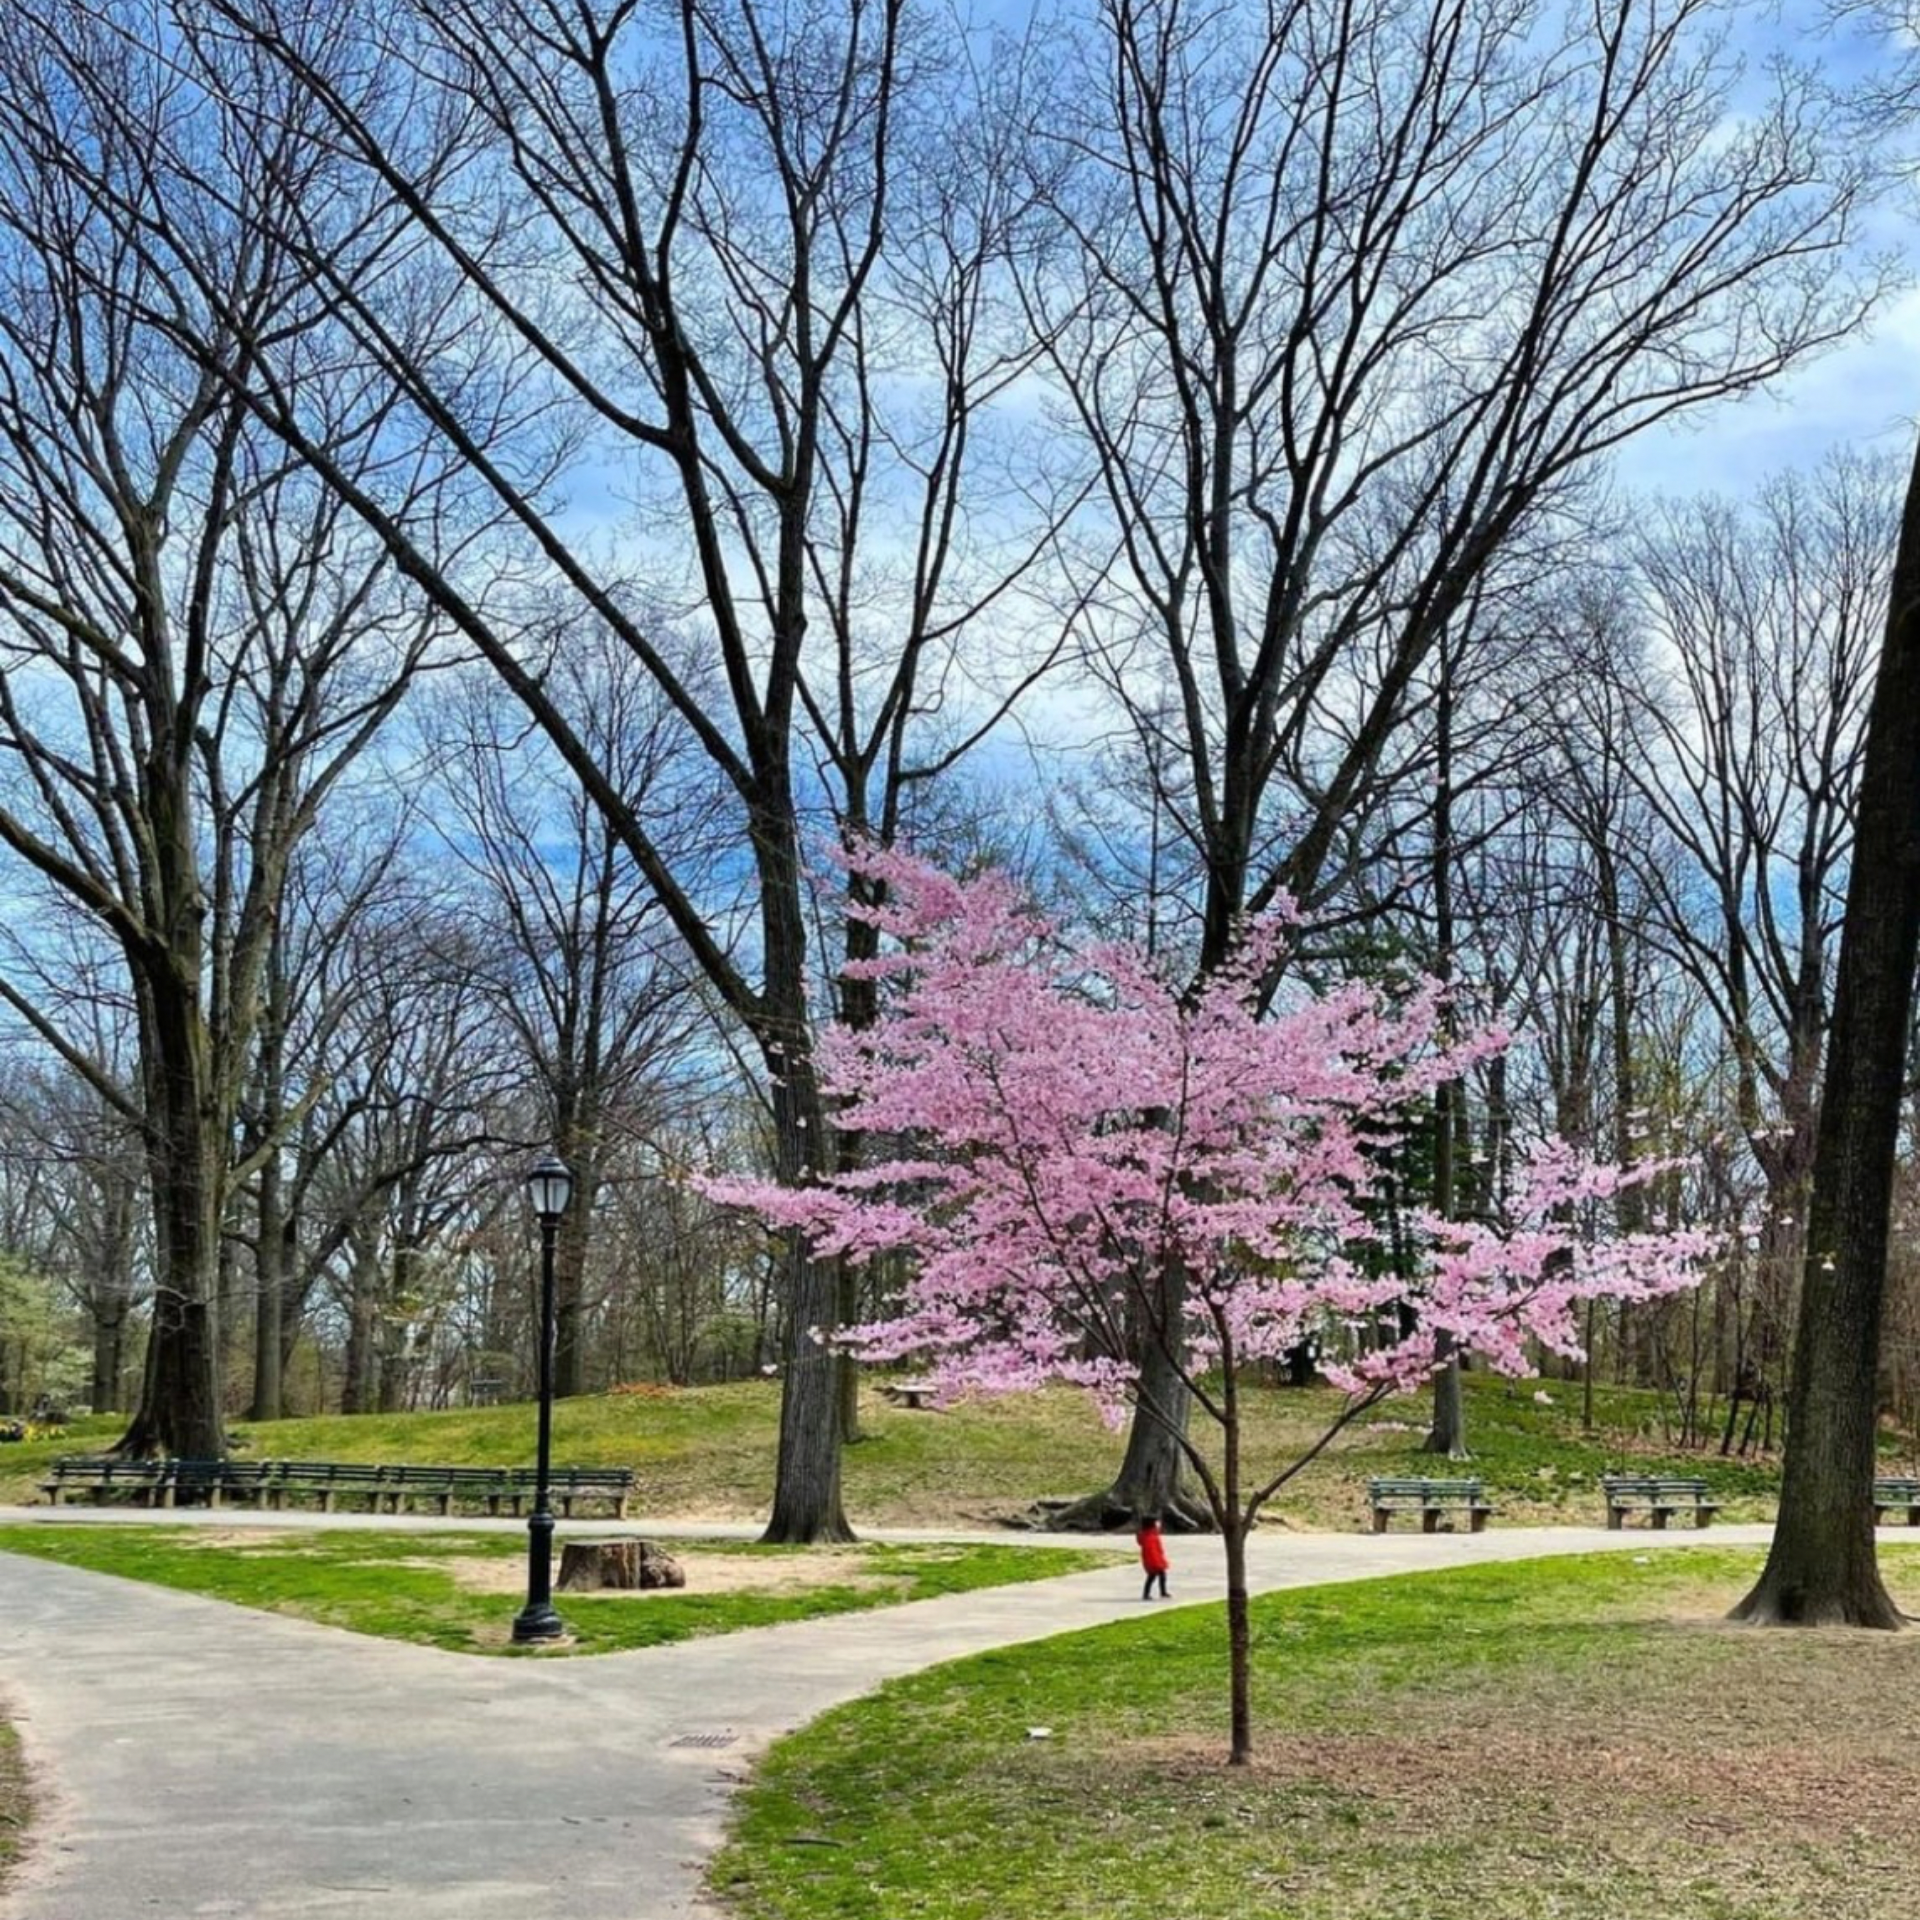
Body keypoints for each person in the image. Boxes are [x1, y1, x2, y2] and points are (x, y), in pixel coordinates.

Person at [1135, 1511, 1170, 1600]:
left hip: (1157, 1559)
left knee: (1161, 1575)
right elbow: (1151, 1552)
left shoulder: (1152, 1533)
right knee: (1152, 1577)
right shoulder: (1149, 1537)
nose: (1158, 1524)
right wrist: (1157, 1562)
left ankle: (1163, 1592)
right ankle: (1146, 1594)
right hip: (1153, 1561)